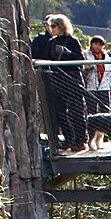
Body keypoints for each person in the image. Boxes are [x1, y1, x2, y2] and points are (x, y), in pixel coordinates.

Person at [29, 13, 87, 151]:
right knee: (60, 110)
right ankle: (68, 138)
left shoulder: (72, 41)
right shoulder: (52, 42)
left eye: (54, 26)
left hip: (72, 78)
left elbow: (80, 61)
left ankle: (80, 140)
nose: (52, 28)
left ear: (62, 26)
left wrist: (66, 53)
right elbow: (47, 59)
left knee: (76, 110)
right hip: (57, 79)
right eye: (50, 26)